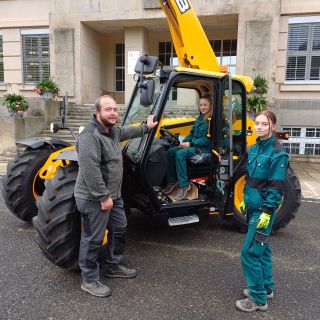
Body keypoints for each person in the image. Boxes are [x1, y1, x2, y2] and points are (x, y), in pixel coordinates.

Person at [74, 95, 158, 298]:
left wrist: (146, 127)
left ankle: (114, 265)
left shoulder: (111, 132)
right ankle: (89, 279)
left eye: (114, 109)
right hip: (94, 197)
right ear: (97, 113)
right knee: (93, 238)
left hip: (114, 195)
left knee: (119, 227)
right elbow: (90, 170)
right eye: (108, 109)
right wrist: (103, 197)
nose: (113, 113)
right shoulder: (90, 136)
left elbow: (127, 131)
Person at [236, 110, 289, 312]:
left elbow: (276, 188)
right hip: (252, 207)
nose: (259, 127)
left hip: (263, 212)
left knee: (250, 252)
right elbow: (252, 181)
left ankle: (258, 300)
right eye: (257, 123)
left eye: (264, 124)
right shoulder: (255, 148)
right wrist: (245, 201)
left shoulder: (277, 153)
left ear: (272, 126)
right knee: (263, 249)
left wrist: (267, 213)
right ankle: (266, 288)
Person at [163, 94, 213, 201]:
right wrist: (182, 142)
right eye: (200, 105)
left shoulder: (210, 120)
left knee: (180, 154)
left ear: (210, 106)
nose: (202, 107)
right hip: (195, 145)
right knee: (171, 151)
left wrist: (190, 144)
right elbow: (191, 134)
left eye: (205, 105)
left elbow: (208, 140)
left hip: (203, 149)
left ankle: (184, 185)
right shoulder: (200, 118)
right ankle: (172, 182)